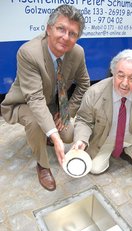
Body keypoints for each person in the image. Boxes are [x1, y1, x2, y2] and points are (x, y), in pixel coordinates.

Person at [1, 5, 90, 191]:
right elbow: (34, 99)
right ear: (48, 29)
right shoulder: (28, 53)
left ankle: (49, 135)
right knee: (36, 122)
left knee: (69, 134)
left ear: (77, 38)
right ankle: (43, 164)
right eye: (61, 29)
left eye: (72, 33)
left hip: (53, 104)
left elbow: (84, 84)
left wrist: (66, 112)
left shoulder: (78, 53)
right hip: (23, 102)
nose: (66, 37)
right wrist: (53, 134)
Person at [72, 49, 132, 174]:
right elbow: (83, 119)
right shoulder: (95, 92)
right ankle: (111, 150)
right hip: (104, 136)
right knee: (95, 169)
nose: (125, 83)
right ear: (113, 72)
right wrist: (81, 140)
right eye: (120, 76)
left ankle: (129, 152)